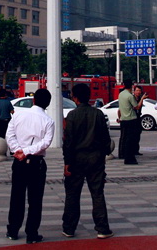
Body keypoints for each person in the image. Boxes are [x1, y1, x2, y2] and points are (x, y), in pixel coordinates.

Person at [62, 82, 113, 240]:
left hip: (76, 159)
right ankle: (102, 228)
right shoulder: (98, 114)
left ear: (75, 98)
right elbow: (106, 139)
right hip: (96, 158)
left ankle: (69, 228)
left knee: (72, 194)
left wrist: (67, 162)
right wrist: (103, 155)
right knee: (97, 193)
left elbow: (68, 142)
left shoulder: (71, 116)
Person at [5, 88, 54, 244]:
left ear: (33, 100)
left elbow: (9, 134)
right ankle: (31, 233)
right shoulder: (48, 121)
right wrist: (27, 151)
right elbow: (45, 143)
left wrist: (18, 150)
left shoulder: (18, 115)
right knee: (35, 200)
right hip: (36, 163)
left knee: (16, 196)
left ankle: (12, 230)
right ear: (48, 103)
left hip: (18, 161)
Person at [117, 79, 138, 165]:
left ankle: (124, 155)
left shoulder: (120, 94)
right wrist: (142, 99)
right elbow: (136, 107)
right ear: (132, 86)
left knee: (124, 139)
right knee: (131, 140)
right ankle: (130, 158)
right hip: (131, 119)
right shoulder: (130, 96)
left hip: (123, 119)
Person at [132, 85, 145, 156]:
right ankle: (132, 150)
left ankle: (136, 150)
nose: (138, 92)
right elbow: (137, 107)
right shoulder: (132, 98)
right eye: (137, 90)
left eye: (139, 91)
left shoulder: (139, 98)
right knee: (132, 135)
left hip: (138, 117)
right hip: (132, 117)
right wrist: (142, 99)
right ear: (134, 91)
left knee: (138, 134)